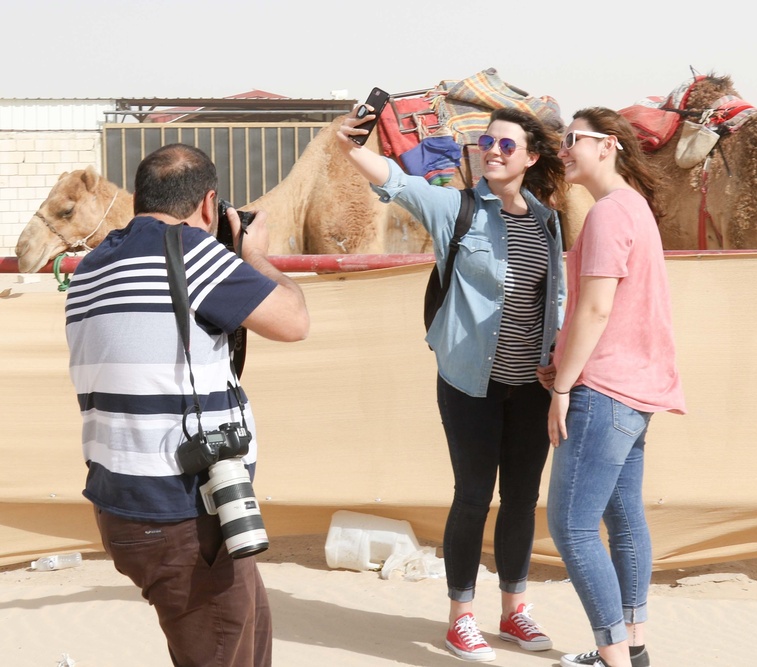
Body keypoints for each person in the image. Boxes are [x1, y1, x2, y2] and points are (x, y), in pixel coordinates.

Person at [65, 143, 309, 667]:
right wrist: (254, 253)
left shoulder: (90, 267)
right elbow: (294, 321)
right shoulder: (194, 254)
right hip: (180, 514)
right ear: (208, 202)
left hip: (125, 502)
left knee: (247, 636)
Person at [337, 105, 566, 662]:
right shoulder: (455, 208)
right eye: (487, 142)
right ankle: (460, 618)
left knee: (521, 500)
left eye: (506, 145)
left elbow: (551, 296)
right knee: (472, 497)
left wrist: (555, 356)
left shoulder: (546, 220)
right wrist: (349, 145)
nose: (492, 150)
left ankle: (514, 610)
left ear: (530, 158)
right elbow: (393, 179)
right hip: (469, 383)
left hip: (531, 384)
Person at [545, 108, 687, 667]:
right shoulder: (634, 209)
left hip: (604, 390)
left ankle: (612, 656)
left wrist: (561, 384)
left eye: (572, 140)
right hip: (634, 390)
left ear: (606, 145)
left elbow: (597, 307)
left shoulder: (608, 213)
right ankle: (634, 645)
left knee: (573, 525)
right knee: (624, 519)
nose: (564, 149)